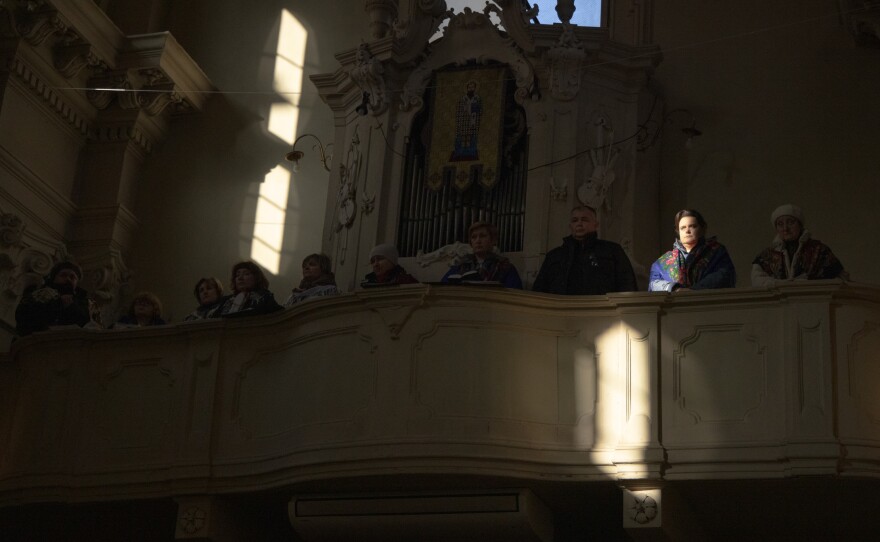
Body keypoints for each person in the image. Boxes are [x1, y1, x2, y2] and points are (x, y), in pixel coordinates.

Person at [533, 205, 637, 295]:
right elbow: (539, 289)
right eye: (575, 220)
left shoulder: (612, 251)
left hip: (602, 311)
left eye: (584, 219)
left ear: (595, 225)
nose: (579, 223)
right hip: (562, 312)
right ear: (570, 226)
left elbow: (627, 284)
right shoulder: (554, 256)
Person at [751, 204, 846, 286]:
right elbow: (757, 279)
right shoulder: (767, 255)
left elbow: (840, 278)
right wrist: (779, 284)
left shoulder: (819, 250)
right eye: (780, 224)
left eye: (790, 222)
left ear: (800, 225)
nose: (785, 228)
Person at [649, 209, 736, 292]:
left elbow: (725, 274)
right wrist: (674, 288)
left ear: (702, 229)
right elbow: (653, 283)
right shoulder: (665, 260)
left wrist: (694, 290)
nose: (687, 231)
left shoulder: (716, 252)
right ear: (678, 231)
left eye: (693, 226)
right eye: (683, 228)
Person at [15, 261, 90, 336]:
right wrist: (59, 303)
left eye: (72, 277)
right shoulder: (39, 294)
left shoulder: (82, 302)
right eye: (63, 275)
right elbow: (24, 315)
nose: (68, 279)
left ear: (76, 283)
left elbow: (85, 322)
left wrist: (71, 307)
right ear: (55, 278)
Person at [441, 222, 522, 288]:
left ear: (493, 240)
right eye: (474, 237)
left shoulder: (506, 267)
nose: (478, 241)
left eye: (482, 236)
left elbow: (514, 293)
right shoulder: (460, 265)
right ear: (471, 243)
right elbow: (442, 286)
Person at [213, 261, 282, 317]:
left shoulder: (265, 297)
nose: (240, 278)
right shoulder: (226, 301)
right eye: (237, 275)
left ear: (256, 277)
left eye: (246, 274)